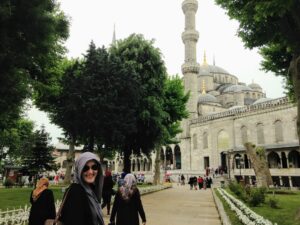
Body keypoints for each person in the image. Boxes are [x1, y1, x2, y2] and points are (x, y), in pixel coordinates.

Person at [60, 152, 105, 225]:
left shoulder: (90, 190)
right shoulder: (76, 192)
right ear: (79, 170)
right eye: (85, 168)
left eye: (94, 167)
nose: (90, 172)